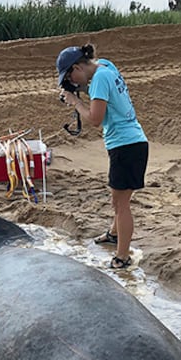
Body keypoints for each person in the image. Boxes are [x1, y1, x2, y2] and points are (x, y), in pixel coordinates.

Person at [56, 44, 149, 269]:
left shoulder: (99, 79)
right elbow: (103, 94)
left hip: (125, 146)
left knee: (121, 204)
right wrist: (80, 90)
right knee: (118, 199)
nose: (74, 82)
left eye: (71, 76)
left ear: (77, 67)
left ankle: (122, 257)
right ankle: (114, 234)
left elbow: (95, 118)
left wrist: (76, 101)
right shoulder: (105, 65)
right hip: (132, 143)